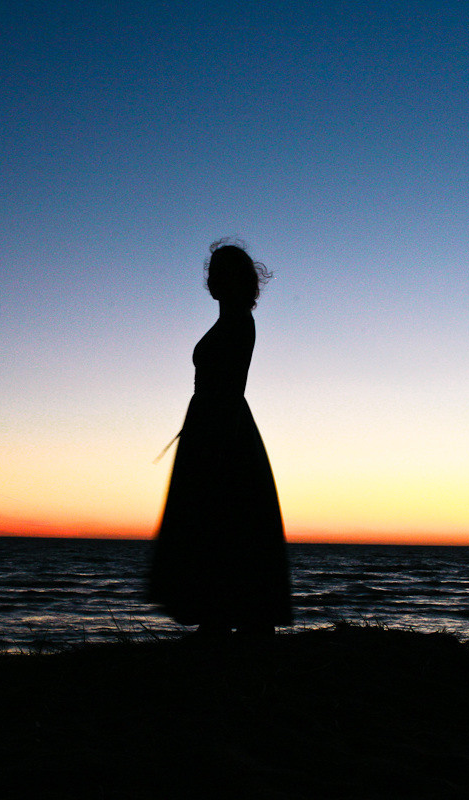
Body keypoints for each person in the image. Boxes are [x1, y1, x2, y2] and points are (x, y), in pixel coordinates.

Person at [148, 240, 292, 636]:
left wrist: (211, 425)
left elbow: (228, 383)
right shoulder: (230, 318)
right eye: (210, 270)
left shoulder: (239, 320)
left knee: (224, 518)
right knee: (216, 520)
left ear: (231, 278)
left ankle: (227, 618)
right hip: (212, 421)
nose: (209, 278)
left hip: (221, 425)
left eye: (217, 270)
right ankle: (217, 615)